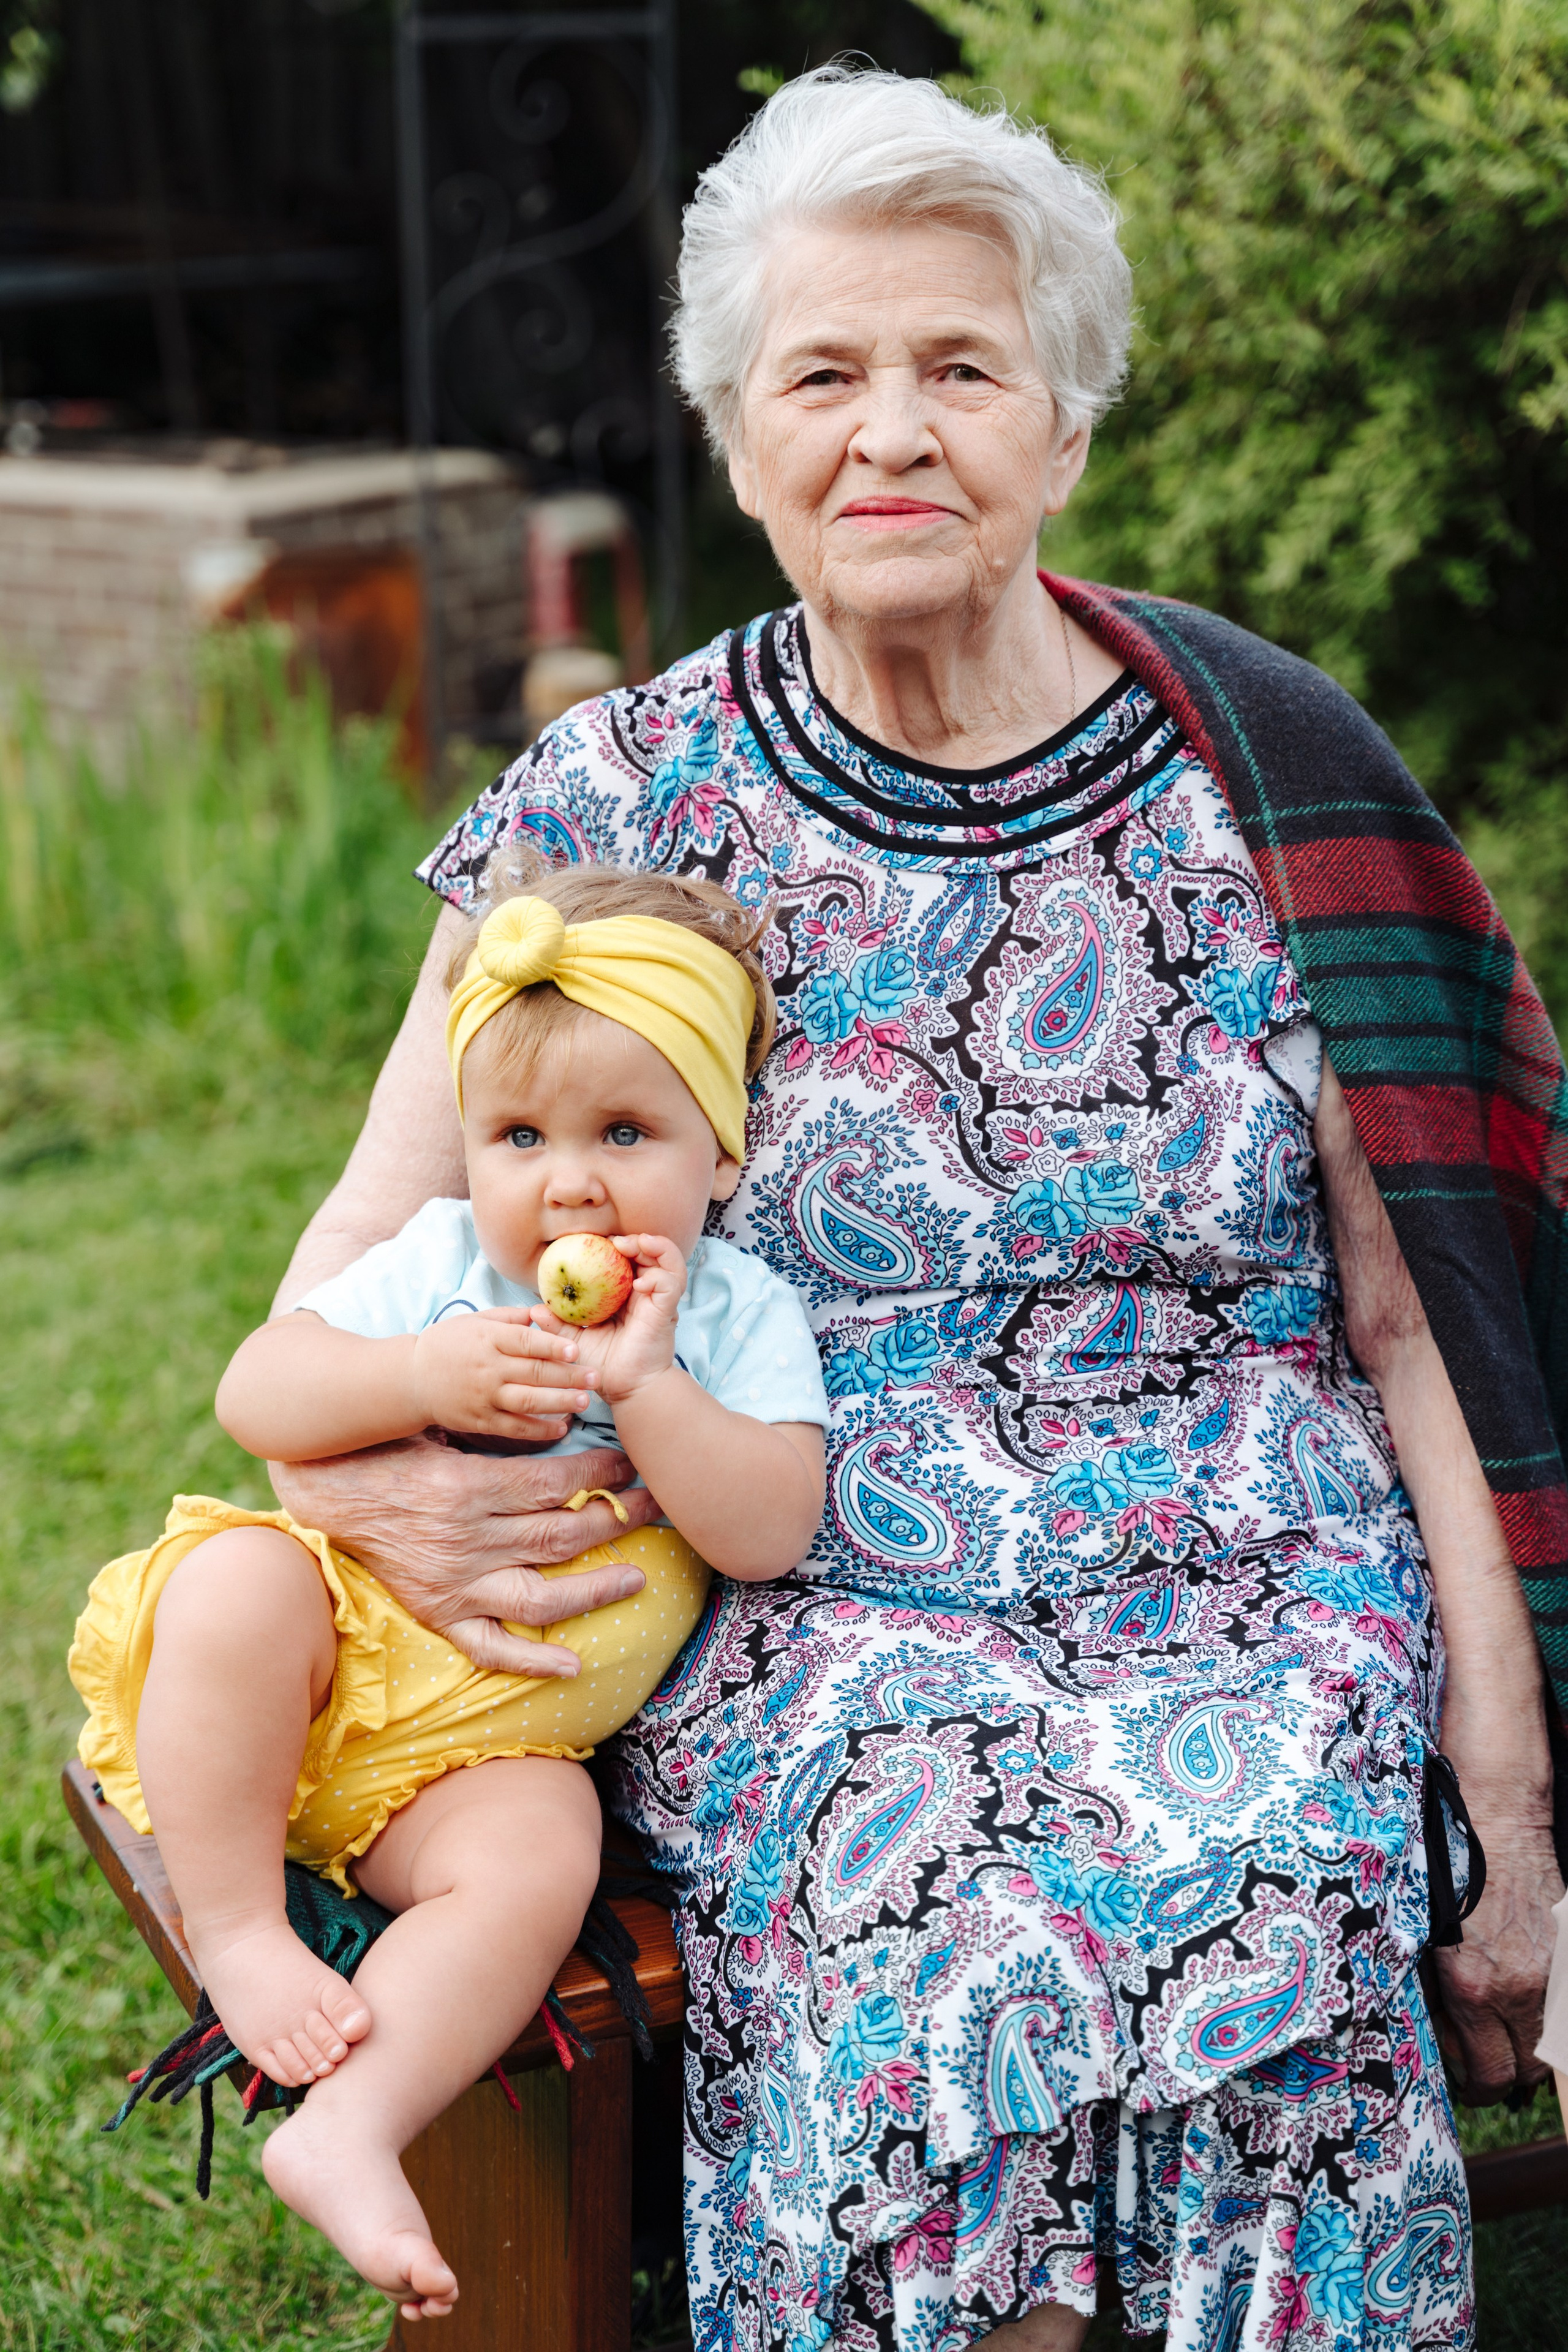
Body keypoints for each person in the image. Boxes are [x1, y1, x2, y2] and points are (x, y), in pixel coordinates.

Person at [262, 67, 1568, 2352]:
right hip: (807, 1562)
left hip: (1260, 1570)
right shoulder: (615, 801)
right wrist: (362, 1479)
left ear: (1064, 429)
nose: (893, 432)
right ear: (739, 436)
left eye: (963, 368)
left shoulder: (1266, 772)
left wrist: (1513, 1796)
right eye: (825, 375)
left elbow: (1414, 1327)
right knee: (934, 1895)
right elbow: (361, 1253)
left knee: (1259, 1871)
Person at [68, 861, 829, 2325]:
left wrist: (652, 1392)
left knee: (542, 1851)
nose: (570, 1181)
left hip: (479, 1758)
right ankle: (242, 1935)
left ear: (720, 1154)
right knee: (236, 1582)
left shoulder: (731, 1318)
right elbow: (256, 1390)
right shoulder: (431, 1269)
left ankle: (352, 2122)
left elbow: (771, 1529)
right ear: (467, 1149)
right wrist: (412, 1374)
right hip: (326, 1669)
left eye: (626, 1131)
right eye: (519, 1136)